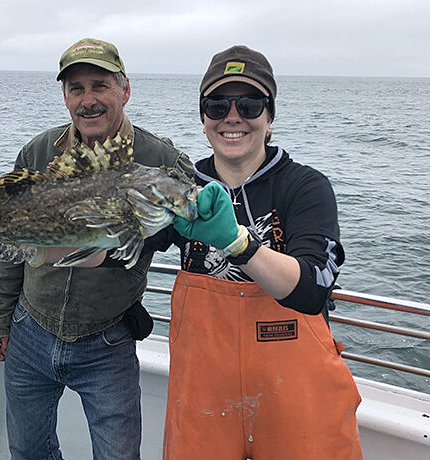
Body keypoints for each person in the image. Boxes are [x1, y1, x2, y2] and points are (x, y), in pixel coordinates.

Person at [0, 38, 193, 460]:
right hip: (30, 331)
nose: (88, 100)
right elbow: (11, 248)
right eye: (76, 89)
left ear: (124, 89)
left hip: (108, 339)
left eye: (100, 86)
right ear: (65, 96)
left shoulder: (159, 159)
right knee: (28, 450)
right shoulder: (37, 152)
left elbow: (195, 233)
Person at [131, 45, 363, 459]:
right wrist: (13, 241)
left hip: (297, 401)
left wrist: (237, 242)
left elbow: (312, 289)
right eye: (217, 105)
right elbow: (111, 252)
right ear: (203, 120)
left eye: (250, 104)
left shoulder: (304, 187)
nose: (232, 117)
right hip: (204, 402)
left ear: (269, 118)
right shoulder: (178, 188)